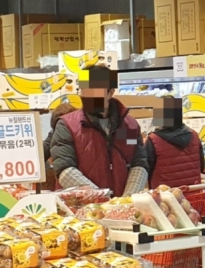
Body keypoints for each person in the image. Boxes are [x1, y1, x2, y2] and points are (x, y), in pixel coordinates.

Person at [51, 65, 148, 197]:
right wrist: (102, 197)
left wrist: (127, 199)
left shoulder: (129, 126)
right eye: (84, 90)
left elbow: (138, 163)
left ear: (110, 92)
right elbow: (64, 169)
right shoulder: (67, 125)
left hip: (123, 204)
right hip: (82, 206)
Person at [145, 96, 205, 188]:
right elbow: (202, 167)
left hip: (165, 195)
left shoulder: (153, 140)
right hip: (193, 192)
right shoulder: (194, 135)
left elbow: (145, 171)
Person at [42, 103, 77, 190]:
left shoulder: (55, 133)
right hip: (67, 182)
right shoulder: (55, 134)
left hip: (65, 182)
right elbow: (41, 155)